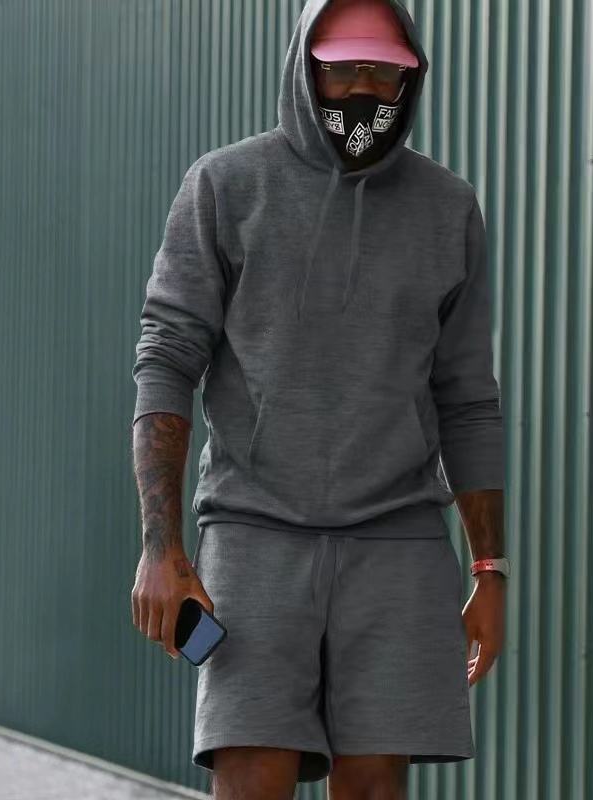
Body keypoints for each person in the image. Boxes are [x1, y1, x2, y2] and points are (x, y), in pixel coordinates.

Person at [130, 0, 508, 797]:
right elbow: (167, 360)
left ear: (411, 78)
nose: (363, 89)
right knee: (253, 775)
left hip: (399, 541)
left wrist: (491, 570)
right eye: (342, 70)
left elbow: (468, 397)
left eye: (384, 71)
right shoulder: (227, 186)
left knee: (374, 786)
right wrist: (161, 548)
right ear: (305, 68)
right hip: (255, 533)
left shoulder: (447, 207)